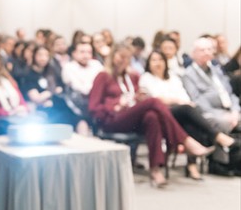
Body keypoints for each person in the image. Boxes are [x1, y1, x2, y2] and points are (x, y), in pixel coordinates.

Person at [88, 43, 214, 188]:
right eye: (121, 56)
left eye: (127, 57)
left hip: (130, 117)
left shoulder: (132, 77)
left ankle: (155, 169)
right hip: (111, 119)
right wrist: (116, 105)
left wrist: (136, 99)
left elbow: (134, 98)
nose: (123, 60)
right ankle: (185, 141)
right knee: (153, 101)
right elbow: (93, 108)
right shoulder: (103, 76)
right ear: (113, 57)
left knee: (152, 117)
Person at [140, 50, 237, 180]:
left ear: (165, 62)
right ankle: (217, 136)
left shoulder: (173, 78)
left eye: (160, 59)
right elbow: (157, 99)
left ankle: (192, 165)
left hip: (180, 112)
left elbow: (184, 97)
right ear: (148, 63)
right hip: (162, 114)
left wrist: (178, 101)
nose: (158, 63)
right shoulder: (146, 78)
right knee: (188, 110)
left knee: (191, 121)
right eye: (154, 60)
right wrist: (176, 101)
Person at [18, 44, 87, 133]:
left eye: (46, 55)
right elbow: (36, 98)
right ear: (34, 56)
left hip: (57, 105)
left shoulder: (51, 71)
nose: (43, 58)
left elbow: (60, 89)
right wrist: (52, 91)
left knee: (80, 120)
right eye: (40, 55)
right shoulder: (29, 74)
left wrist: (47, 94)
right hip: (42, 109)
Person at [182, 36, 241, 134]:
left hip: (230, 110)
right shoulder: (188, 74)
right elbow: (197, 100)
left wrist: (235, 111)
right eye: (202, 50)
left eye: (209, 49)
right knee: (222, 122)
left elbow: (230, 93)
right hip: (211, 113)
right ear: (194, 54)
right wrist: (223, 115)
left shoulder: (217, 70)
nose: (206, 52)